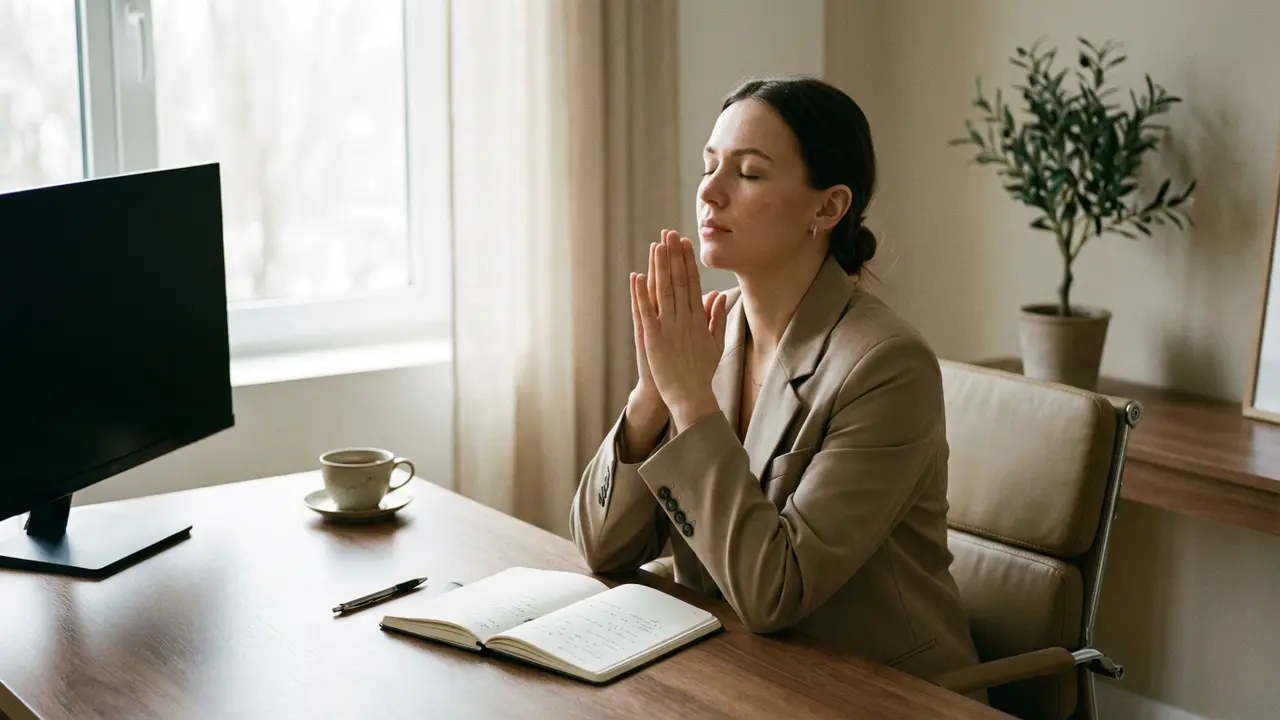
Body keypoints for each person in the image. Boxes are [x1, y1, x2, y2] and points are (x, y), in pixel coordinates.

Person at [568, 76, 982, 686]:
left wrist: (690, 401)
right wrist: (650, 398)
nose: (709, 191)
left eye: (749, 173)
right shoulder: (715, 329)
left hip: (876, 690)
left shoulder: (887, 367)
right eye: (709, 166)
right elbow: (601, 549)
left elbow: (774, 594)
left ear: (828, 207)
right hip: (738, 667)